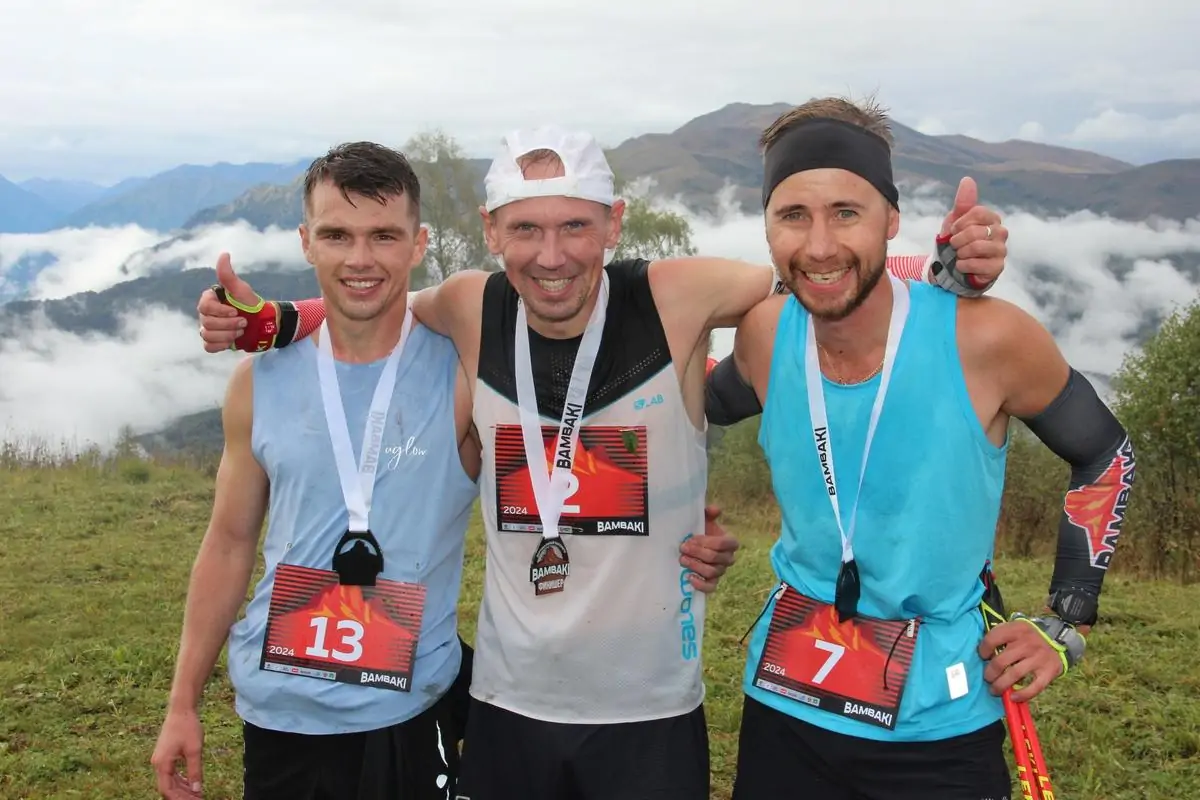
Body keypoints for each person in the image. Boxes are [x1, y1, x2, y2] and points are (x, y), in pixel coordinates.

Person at [193, 125, 1010, 799]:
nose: (551, 255)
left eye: (576, 227)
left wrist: (941, 269)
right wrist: (275, 320)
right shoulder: (472, 306)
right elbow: (371, 296)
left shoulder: (678, 295)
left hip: (649, 710)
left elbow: (819, 273)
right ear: (490, 231)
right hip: (506, 702)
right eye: (525, 229)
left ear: (614, 224)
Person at [704, 96, 1136, 799]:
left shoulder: (987, 338)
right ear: (768, 226)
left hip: (938, 725)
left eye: (847, 212)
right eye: (793, 215)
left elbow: (1106, 453)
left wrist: (1065, 620)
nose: (820, 244)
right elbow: (690, 407)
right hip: (787, 702)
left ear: (891, 220)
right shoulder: (764, 333)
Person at [150, 142, 483, 800]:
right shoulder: (258, 380)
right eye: (336, 235)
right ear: (306, 243)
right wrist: (182, 702)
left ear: (418, 245)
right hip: (281, 714)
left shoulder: (464, 374)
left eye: (384, 236)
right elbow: (229, 542)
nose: (360, 259)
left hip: (408, 711)